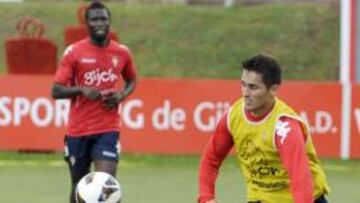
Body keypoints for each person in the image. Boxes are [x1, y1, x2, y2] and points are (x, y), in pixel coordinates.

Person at [197, 54, 330, 203]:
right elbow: (211, 159)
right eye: (243, 84)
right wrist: (206, 198)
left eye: (253, 87)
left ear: (273, 89)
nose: (245, 93)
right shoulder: (233, 116)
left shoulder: (284, 128)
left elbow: (301, 179)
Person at [51, 1, 137, 203]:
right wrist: (81, 89)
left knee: (106, 185)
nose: (100, 23)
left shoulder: (122, 53)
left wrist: (122, 94)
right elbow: (55, 90)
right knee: (78, 187)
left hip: (108, 129)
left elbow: (132, 80)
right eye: (95, 19)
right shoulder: (74, 52)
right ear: (87, 23)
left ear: (109, 22)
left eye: (104, 19)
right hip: (78, 131)